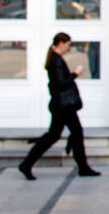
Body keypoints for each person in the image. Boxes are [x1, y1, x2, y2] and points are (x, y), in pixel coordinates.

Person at [19, 32, 101, 179]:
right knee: (64, 134)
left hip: (60, 105)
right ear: (61, 43)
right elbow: (61, 83)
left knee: (65, 133)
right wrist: (75, 73)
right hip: (63, 106)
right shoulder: (56, 60)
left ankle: (82, 166)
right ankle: (27, 164)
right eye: (68, 44)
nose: (68, 48)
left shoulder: (55, 58)